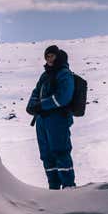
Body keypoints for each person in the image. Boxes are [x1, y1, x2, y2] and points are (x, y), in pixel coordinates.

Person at [26, 45, 76, 189]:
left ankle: (68, 187)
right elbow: (36, 91)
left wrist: (42, 105)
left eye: (52, 55)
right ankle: (53, 188)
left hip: (57, 119)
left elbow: (64, 97)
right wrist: (31, 105)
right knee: (46, 155)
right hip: (42, 120)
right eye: (47, 56)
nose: (49, 59)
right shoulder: (45, 75)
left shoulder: (64, 73)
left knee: (60, 152)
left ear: (58, 56)